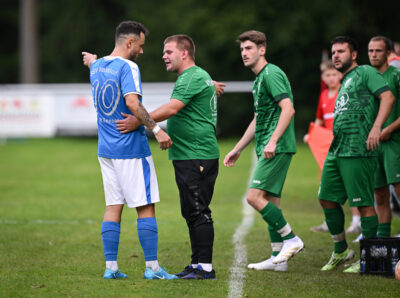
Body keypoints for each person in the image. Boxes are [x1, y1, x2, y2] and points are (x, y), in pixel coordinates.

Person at [92, 34, 222, 279]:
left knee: (198, 210)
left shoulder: (193, 75)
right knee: (191, 211)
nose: (163, 55)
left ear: (185, 53)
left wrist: (143, 122)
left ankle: (203, 267)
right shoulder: (195, 76)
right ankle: (196, 265)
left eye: (169, 52)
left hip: (197, 153)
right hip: (186, 154)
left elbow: (171, 108)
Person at [82, 20, 177, 280]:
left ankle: (111, 268)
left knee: (113, 206)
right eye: (141, 46)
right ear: (130, 43)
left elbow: (95, 64)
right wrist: (157, 130)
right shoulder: (129, 67)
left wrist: (93, 60)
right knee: (145, 206)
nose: (142, 52)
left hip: (106, 149)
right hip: (131, 149)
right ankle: (153, 268)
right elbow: (132, 103)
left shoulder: (98, 67)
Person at [224, 30, 304, 272]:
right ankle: (278, 259)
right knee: (271, 202)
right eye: (242, 50)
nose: (244, 53)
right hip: (269, 146)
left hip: (276, 148)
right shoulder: (259, 80)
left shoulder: (271, 74)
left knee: (254, 198)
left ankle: (292, 239)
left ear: (262, 49)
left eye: (249, 48)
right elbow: (259, 119)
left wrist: (273, 141)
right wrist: (238, 148)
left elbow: (288, 109)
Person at [318, 36, 394, 273]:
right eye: (333, 52)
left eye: (341, 51)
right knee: (326, 198)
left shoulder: (364, 72)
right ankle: (341, 250)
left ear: (353, 55)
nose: (336, 56)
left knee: (363, 205)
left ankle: (368, 259)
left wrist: (376, 127)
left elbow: (388, 97)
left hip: (358, 150)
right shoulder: (346, 80)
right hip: (338, 149)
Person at [306, 61, 362, 235]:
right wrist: (312, 134)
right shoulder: (323, 95)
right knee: (326, 185)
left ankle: (356, 221)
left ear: (340, 75)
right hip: (327, 147)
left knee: (350, 184)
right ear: (323, 77)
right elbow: (320, 120)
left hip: (345, 145)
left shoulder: (345, 92)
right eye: (327, 75)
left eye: (334, 74)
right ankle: (329, 221)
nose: (331, 78)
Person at [368, 36, 400, 238]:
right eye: (370, 51)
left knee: (398, 189)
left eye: (378, 51)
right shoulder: (366, 77)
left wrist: (390, 129)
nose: (373, 55)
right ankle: (382, 241)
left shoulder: (396, 75)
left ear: (389, 53)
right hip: (374, 144)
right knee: (379, 194)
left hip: (394, 141)